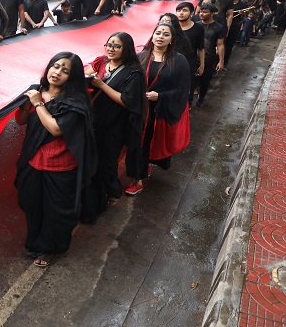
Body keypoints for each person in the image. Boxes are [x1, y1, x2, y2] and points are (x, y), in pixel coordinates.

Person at [15, 52, 96, 267]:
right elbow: (21, 121)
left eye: (65, 70)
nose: (57, 72)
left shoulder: (75, 101)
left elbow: (56, 128)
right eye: (56, 66)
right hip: (33, 161)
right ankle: (35, 242)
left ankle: (50, 248)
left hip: (60, 165)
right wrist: (27, 103)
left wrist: (38, 104)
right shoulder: (38, 91)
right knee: (33, 205)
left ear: (73, 77)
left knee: (56, 211)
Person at [125, 22, 190, 196]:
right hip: (139, 109)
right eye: (158, 33)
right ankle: (137, 177)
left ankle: (141, 173)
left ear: (172, 39)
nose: (160, 36)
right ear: (152, 35)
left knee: (149, 143)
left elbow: (183, 89)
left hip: (160, 111)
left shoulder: (179, 60)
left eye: (165, 34)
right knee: (136, 143)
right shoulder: (141, 56)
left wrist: (160, 96)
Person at [83, 33, 145, 215]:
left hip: (115, 124)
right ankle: (95, 192)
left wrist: (101, 85)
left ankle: (113, 190)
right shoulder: (102, 62)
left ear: (126, 49)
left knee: (108, 160)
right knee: (92, 157)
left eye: (116, 46)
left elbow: (127, 101)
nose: (111, 49)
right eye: (109, 45)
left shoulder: (133, 73)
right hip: (96, 119)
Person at [195, 2, 226, 107]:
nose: (201, 14)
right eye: (201, 11)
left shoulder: (218, 28)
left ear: (212, 13)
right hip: (194, 57)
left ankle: (201, 98)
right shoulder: (196, 25)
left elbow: (220, 45)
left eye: (205, 12)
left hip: (209, 58)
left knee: (205, 80)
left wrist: (221, 61)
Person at [175, 2, 205, 106]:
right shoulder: (172, 28)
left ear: (192, 13)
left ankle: (187, 105)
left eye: (184, 10)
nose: (181, 13)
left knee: (188, 85)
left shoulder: (198, 28)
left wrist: (202, 65)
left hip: (189, 63)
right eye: (179, 11)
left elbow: (201, 48)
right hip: (172, 62)